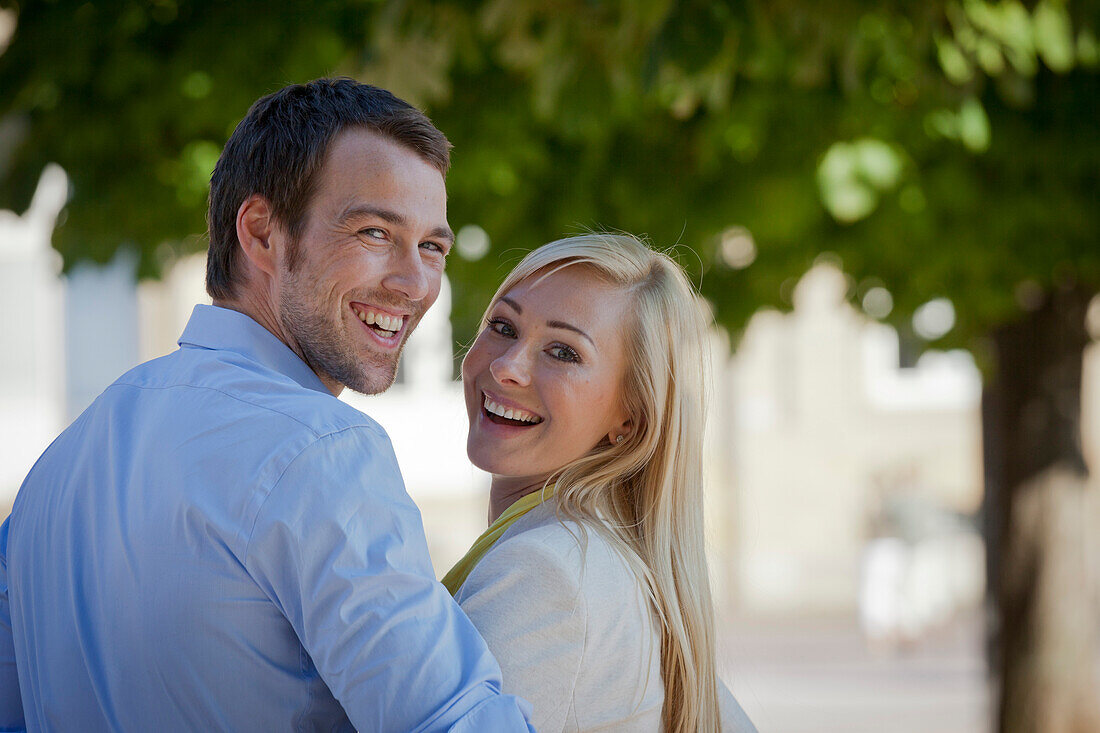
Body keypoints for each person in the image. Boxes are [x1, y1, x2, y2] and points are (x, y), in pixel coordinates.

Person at [0, 78, 532, 732]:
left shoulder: (60, 467)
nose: (415, 282)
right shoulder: (322, 449)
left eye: (432, 246)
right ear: (262, 233)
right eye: (374, 231)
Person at [443, 233, 757, 732]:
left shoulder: (549, 571)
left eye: (563, 352)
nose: (506, 367)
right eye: (502, 326)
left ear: (629, 418)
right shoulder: (607, 557)